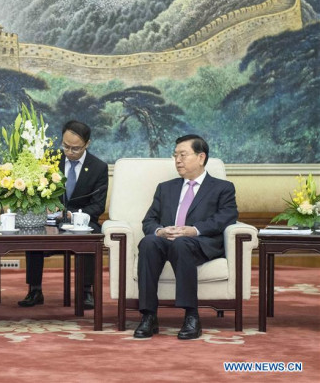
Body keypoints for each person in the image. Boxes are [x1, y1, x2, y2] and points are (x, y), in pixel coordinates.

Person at [134, 134, 238, 340]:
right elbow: (149, 221)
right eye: (175, 156)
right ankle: (148, 315)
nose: (177, 160)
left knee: (182, 243)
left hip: (199, 242)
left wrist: (194, 230)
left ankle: (191, 315)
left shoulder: (222, 187)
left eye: (183, 155)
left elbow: (227, 217)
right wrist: (160, 231)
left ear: (201, 157)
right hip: (167, 240)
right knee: (148, 242)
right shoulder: (165, 188)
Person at [18, 120, 109, 309]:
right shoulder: (50, 160)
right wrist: (48, 210)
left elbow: (97, 207)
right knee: (33, 232)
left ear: (87, 144)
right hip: (50, 220)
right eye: (65, 146)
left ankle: (85, 291)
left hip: (80, 222)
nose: (69, 152)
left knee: (91, 234)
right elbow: (36, 194)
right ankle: (35, 289)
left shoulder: (98, 167)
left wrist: (70, 215)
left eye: (75, 148)